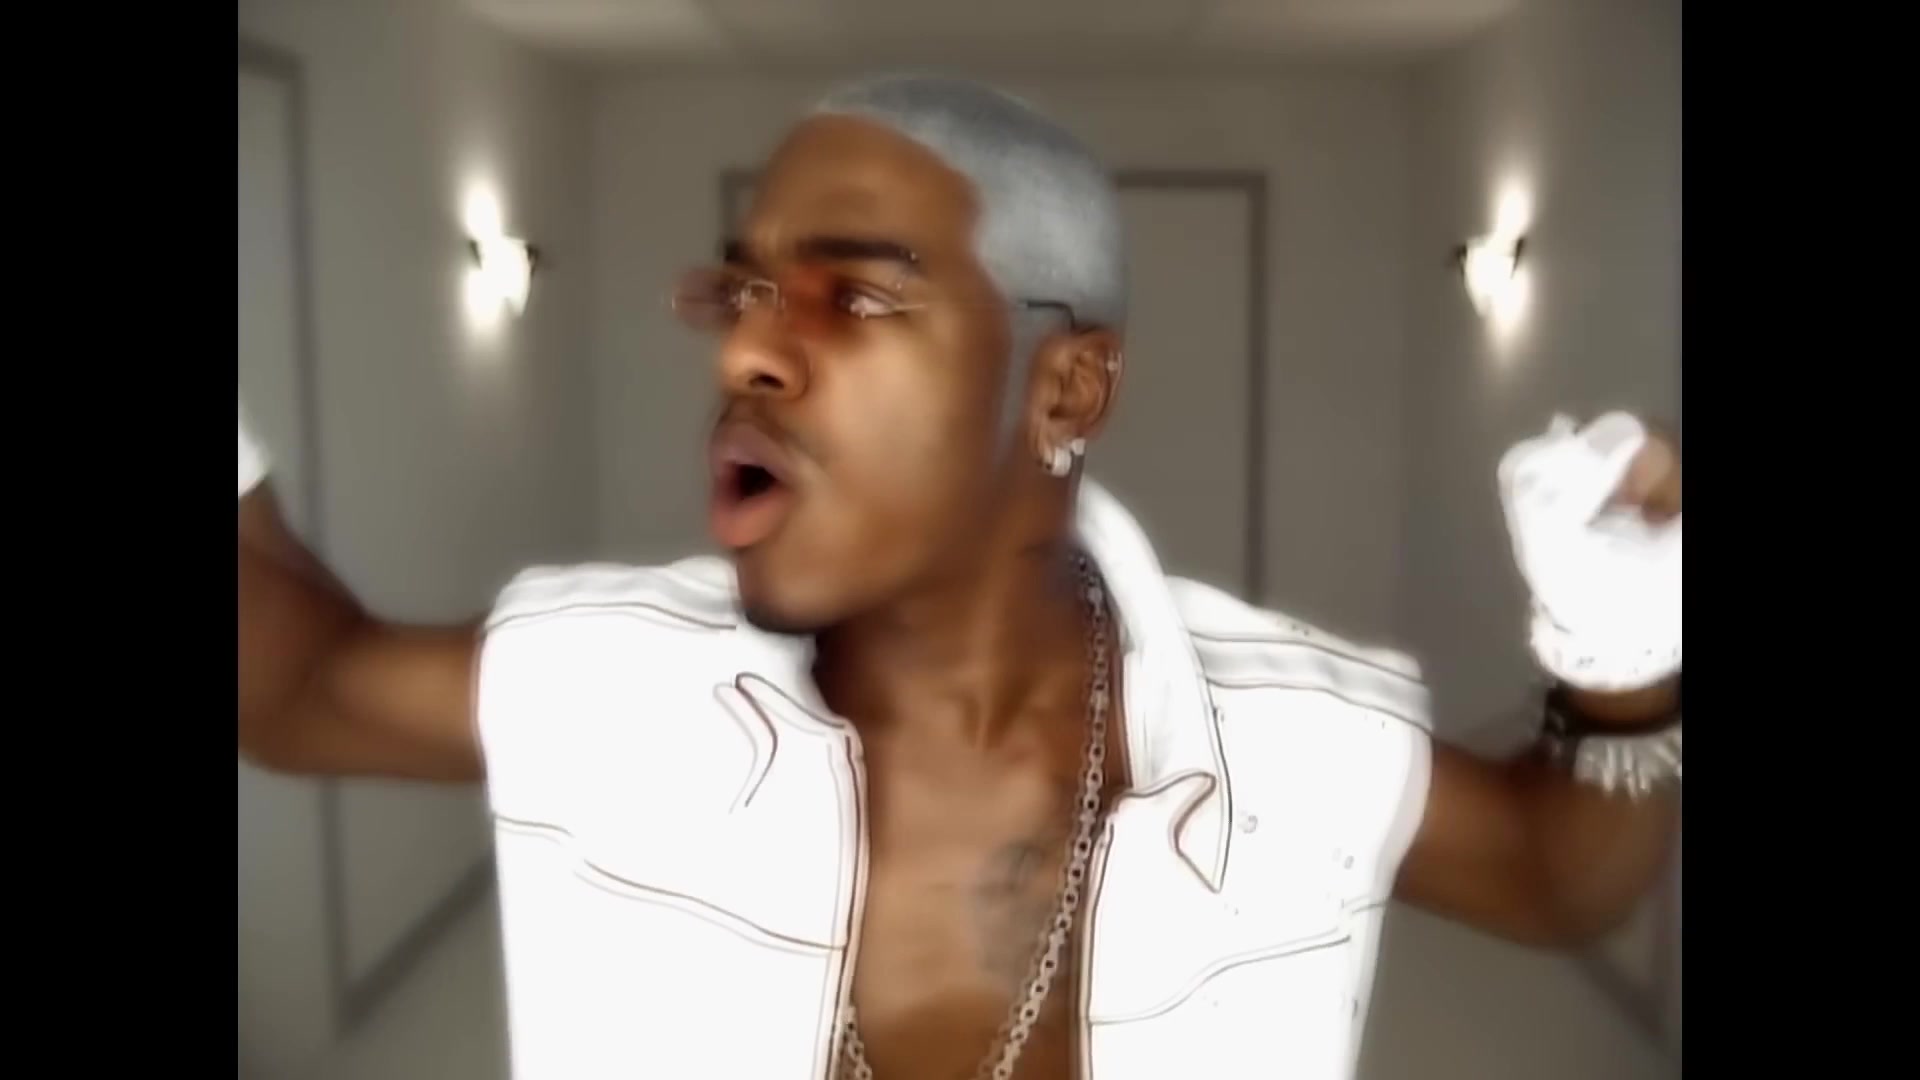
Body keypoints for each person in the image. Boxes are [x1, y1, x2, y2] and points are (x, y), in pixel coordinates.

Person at [237, 75, 1681, 1080]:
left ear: (1066, 391)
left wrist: (1622, 650)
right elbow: (296, 686)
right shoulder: (604, 681)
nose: (747, 349)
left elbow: (1557, 876)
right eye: (745, 292)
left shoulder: (1300, 742)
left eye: (857, 296)